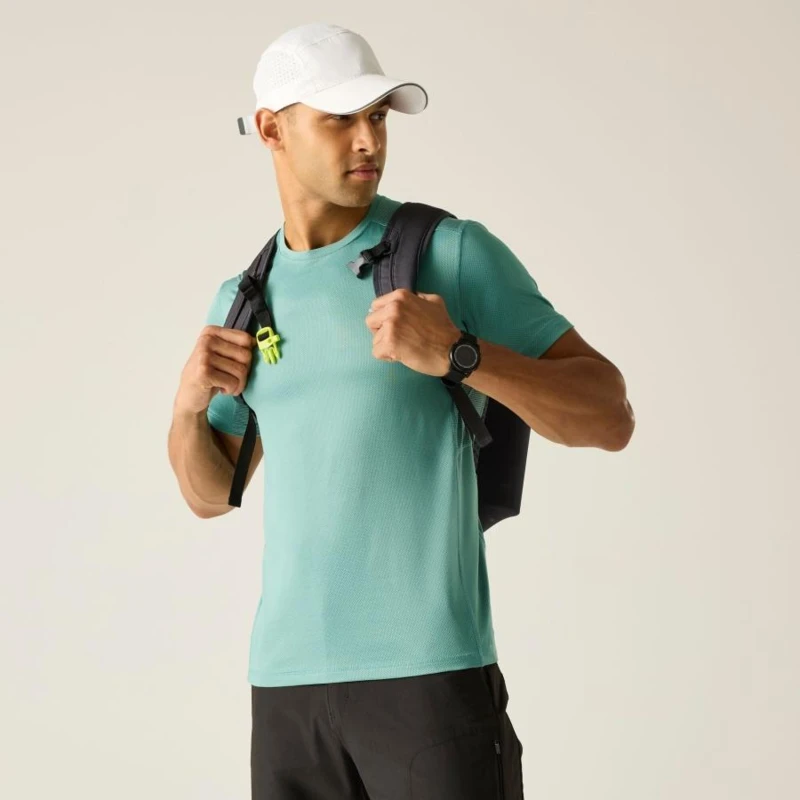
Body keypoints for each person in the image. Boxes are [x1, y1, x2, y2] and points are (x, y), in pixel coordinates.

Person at [167, 21, 635, 800]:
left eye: (378, 117)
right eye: (340, 119)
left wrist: (462, 354)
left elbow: (610, 413)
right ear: (272, 129)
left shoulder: (448, 253)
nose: (368, 141)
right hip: (285, 689)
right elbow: (211, 495)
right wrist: (188, 408)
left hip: (427, 679)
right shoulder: (245, 299)